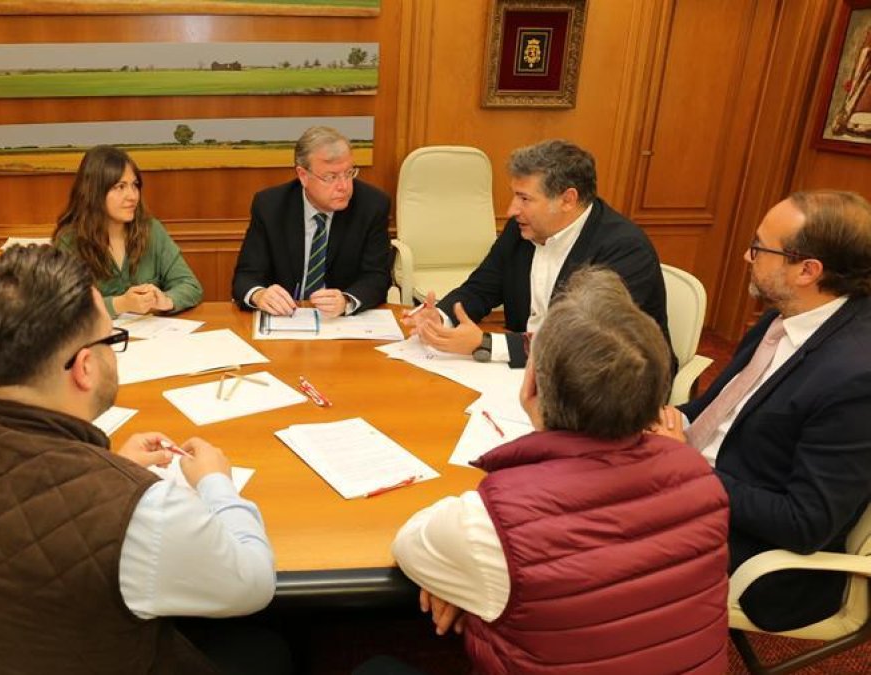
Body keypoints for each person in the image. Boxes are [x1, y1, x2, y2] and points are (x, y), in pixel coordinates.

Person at [0, 245, 284, 674]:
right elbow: (252, 585)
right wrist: (217, 483)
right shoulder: (142, 512)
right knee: (267, 651)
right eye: (112, 339)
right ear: (84, 367)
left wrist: (105, 467)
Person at [391, 267, 729, 675]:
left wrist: (461, 578)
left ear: (531, 385)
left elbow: (412, 545)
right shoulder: (702, 480)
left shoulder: (491, 523)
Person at [655, 190, 871, 632]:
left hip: (753, 548)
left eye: (759, 247)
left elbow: (804, 522)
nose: (745, 255)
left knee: (584, 546)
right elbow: (714, 409)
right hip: (700, 482)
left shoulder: (855, 378)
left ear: (808, 270)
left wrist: (688, 468)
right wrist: (651, 419)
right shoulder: (785, 318)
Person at [404, 139, 671, 368]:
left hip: (612, 384)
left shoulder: (624, 249)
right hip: (532, 370)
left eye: (525, 199)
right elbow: (480, 288)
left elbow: (587, 343)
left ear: (567, 199)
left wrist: (486, 344)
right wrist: (440, 316)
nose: (511, 210)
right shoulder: (522, 230)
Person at [231, 125, 391, 318]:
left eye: (349, 173)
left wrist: (347, 300)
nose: (344, 186)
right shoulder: (271, 206)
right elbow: (246, 276)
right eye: (331, 177)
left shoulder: (372, 205)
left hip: (341, 323)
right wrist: (259, 294)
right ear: (303, 176)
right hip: (284, 320)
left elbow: (377, 277)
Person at [54, 144, 203, 318]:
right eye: (120, 187)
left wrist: (165, 300)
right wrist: (120, 304)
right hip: (99, 341)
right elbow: (64, 306)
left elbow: (191, 285)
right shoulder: (70, 240)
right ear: (94, 192)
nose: (132, 196)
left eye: (134, 185)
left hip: (154, 339)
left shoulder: (152, 230)